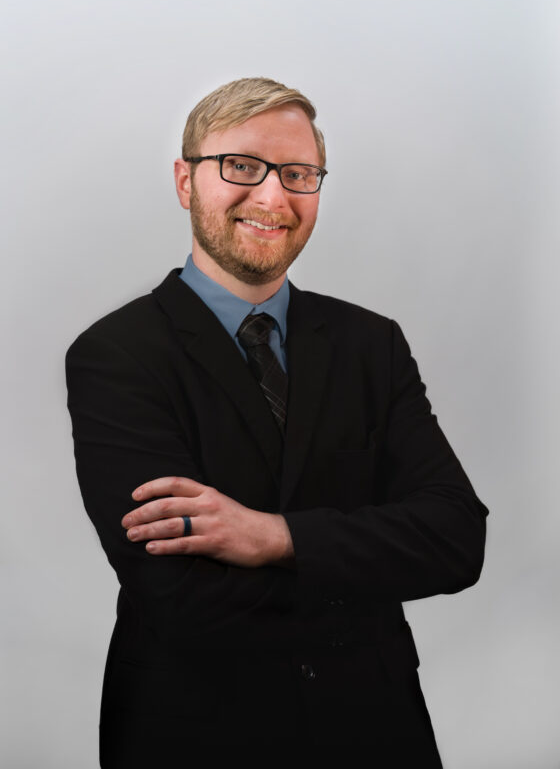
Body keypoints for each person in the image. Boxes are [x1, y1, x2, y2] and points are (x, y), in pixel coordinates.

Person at [65, 77, 488, 764]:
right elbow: (178, 595)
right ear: (185, 181)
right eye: (241, 166)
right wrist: (366, 556)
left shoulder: (371, 344)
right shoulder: (116, 355)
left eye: (298, 174)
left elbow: (456, 538)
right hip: (198, 737)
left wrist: (274, 537)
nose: (272, 197)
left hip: (375, 729)